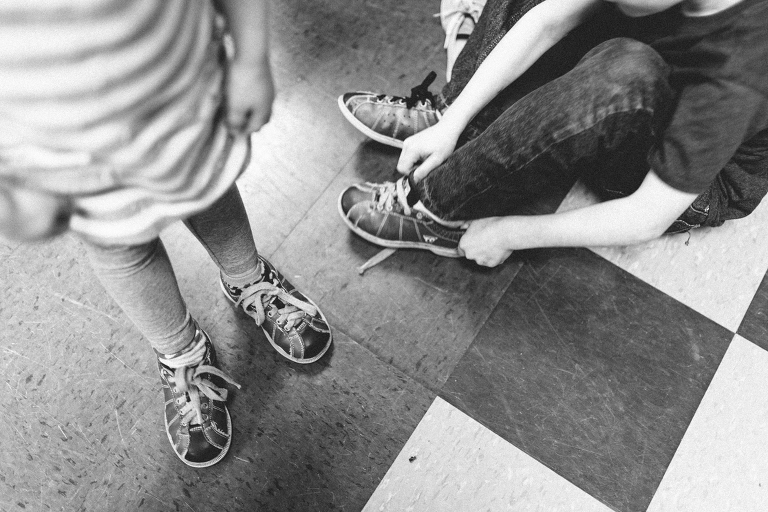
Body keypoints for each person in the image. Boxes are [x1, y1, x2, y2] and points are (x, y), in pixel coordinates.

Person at [0, 0, 332, 468]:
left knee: (209, 190)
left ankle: (247, 280)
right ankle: (181, 350)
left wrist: (251, 58)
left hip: (177, 94)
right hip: (61, 153)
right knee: (121, 245)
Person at [337, 0, 768, 268]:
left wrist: (508, 232)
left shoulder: (739, 75)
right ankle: (458, 121)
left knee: (625, 72)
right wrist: (452, 124)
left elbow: (646, 217)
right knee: (606, 35)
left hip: (698, 186)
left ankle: (440, 210)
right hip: (671, 73)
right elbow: (551, 17)